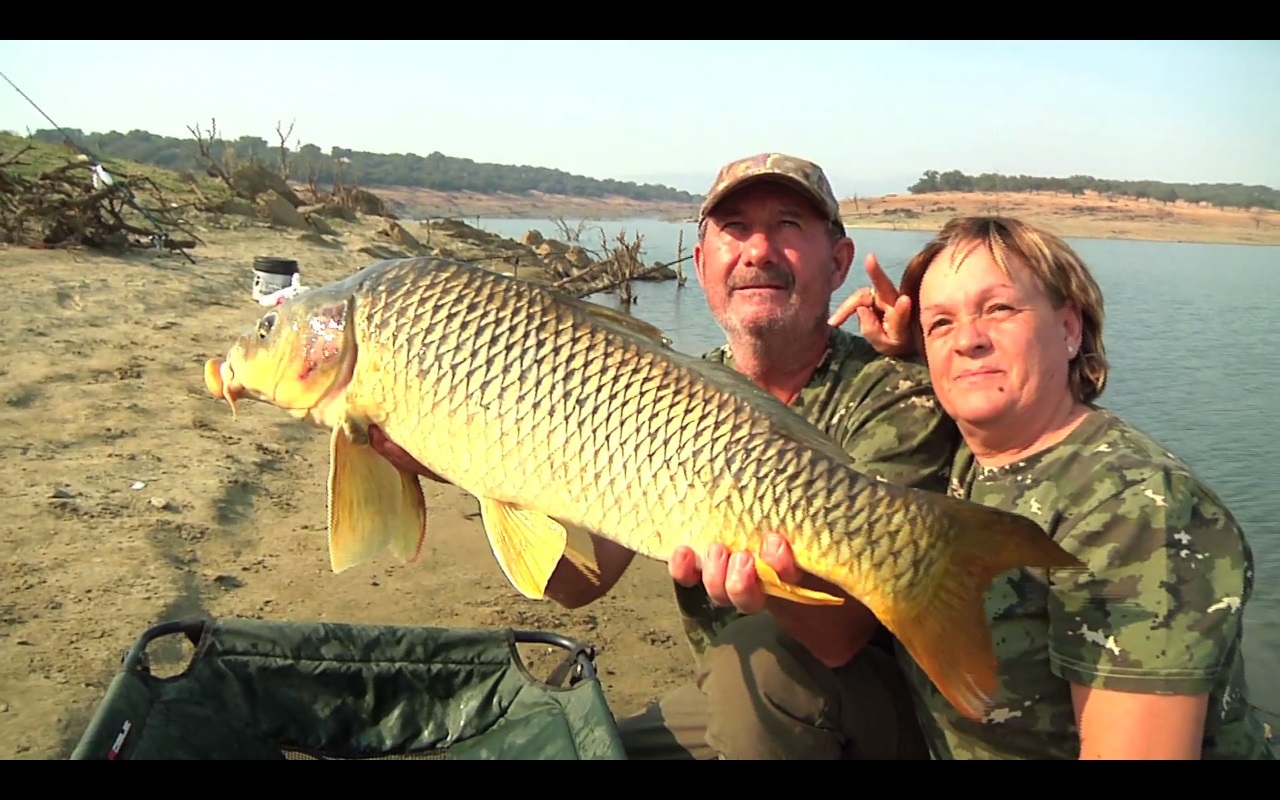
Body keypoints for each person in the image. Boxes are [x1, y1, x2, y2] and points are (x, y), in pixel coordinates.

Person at [711, 214, 1273, 759]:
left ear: (1069, 328)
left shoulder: (1137, 508)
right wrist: (905, 349)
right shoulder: (961, 455)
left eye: (999, 309)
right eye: (942, 324)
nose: (968, 341)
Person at [539, 152, 962, 759]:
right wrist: (469, 457)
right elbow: (578, 584)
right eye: (735, 229)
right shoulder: (657, 393)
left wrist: (770, 592)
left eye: (788, 226)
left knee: (753, 669)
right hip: (732, 695)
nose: (758, 250)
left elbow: (843, 639)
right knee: (576, 749)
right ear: (700, 261)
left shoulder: (893, 395)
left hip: (873, 715)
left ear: (839, 262)